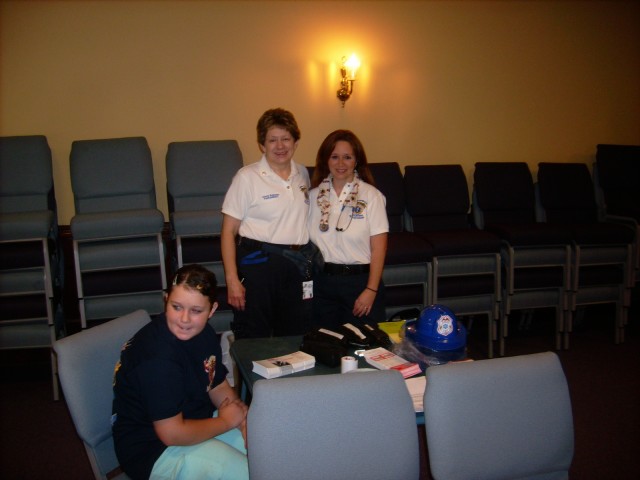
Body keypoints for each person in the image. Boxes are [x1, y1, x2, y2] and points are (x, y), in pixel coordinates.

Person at [112, 264, 248, 480]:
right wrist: (226, 422)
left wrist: (243, 421)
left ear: (212, 310)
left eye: (196, 311)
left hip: (193, 421)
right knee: (247, 473)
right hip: (153, 448)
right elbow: (171, 434)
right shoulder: (156, 359)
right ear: (166, 300)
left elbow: (216, 383)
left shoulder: (203, 334)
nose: (184, 319)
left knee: (264, 451)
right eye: (176, 307)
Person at [221, 107, 315, 339]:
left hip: (296, 267)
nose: (280, 146)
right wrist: (232, 279)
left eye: (286, 139)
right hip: (259, 267)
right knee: (255, 336)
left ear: (295, 142)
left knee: (294, 336)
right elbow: (227, 232)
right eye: (272, 140)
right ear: (262, 145)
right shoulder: (246, 177)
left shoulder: (302, 174)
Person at [308, 129, 389, 331]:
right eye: (334, 157)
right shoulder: (312, 197)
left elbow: (379, 248)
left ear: (356, 161)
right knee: (325, 349)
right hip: (322, 285)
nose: (341, 164)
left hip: (360, 284)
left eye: (347, 157)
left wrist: (371, 289)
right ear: (325, 160)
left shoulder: (372, 196)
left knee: (363, 351)